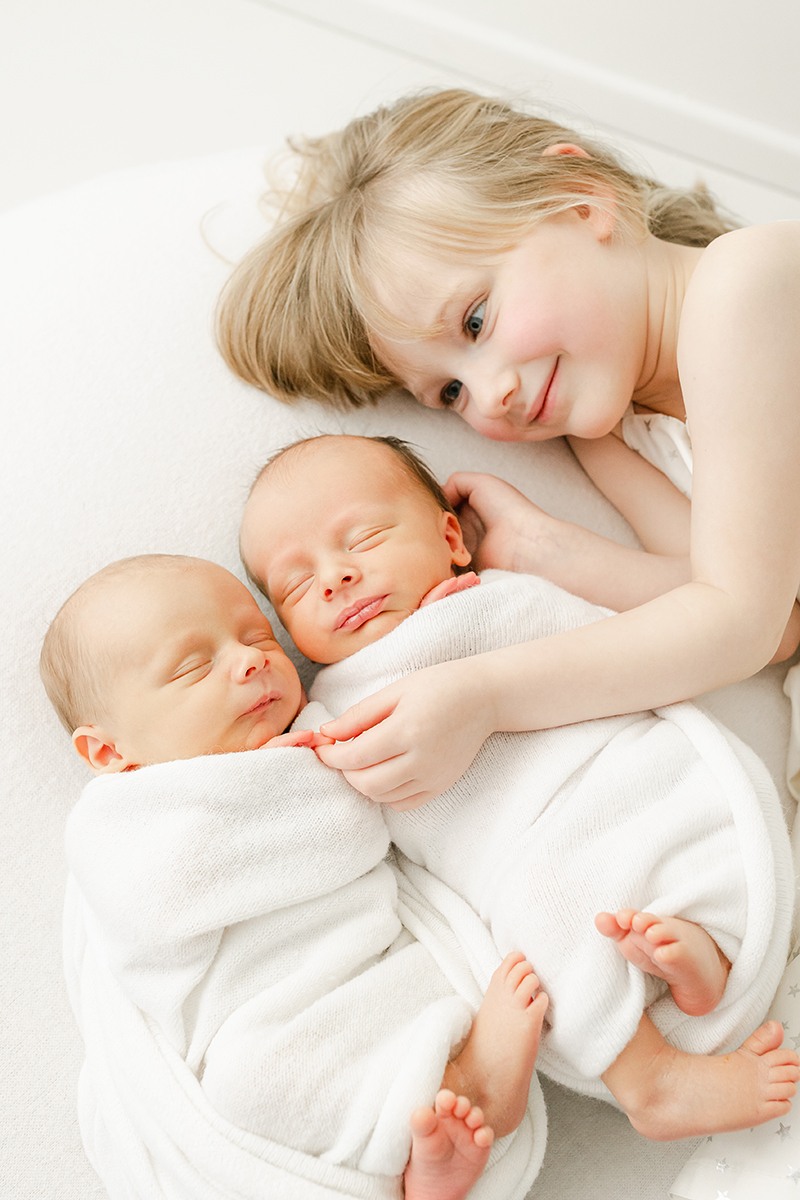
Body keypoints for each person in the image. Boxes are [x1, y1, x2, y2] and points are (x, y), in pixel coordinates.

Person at [217, 86, 800, 811]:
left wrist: (485, 695)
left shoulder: (747, 283)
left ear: (580, 199)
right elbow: (775, 623)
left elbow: (738, 622)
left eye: (476, 320)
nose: (488, 395)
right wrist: (543, 554)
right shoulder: (614, 436)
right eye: (449, 395)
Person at [240, 432, 799, 1142]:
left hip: (615, 774)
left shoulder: (503, 602)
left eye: (366, 537)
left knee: (688, 814)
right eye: (294, 586)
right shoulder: (326, 715)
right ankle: (649, 1077)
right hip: (521, 857)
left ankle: (709, 956)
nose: (335, 578)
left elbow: (629, 650)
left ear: (451, 537)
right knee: (542, 924)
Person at [41, 553, 550, 1200]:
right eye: (195, 666)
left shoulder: (322, 730)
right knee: (252, 1078)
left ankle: (449, 1103)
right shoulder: (123, 825)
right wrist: (276, 791)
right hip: (266, 1014)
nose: (250, 660)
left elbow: (384, 790)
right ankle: (442, 1124)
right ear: (109, 752)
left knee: (433, 988)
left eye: (258, 637)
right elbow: (159, 902)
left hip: (370, 961)